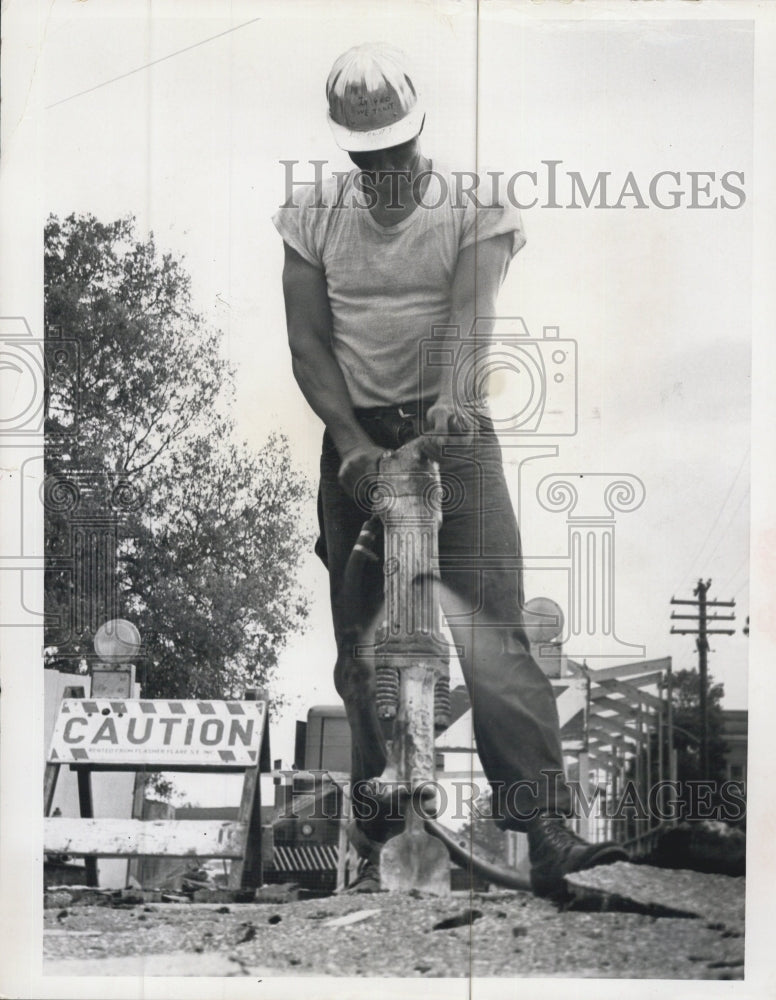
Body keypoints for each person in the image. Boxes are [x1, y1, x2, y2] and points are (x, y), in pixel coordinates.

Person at [273, 42, 628, 895]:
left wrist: (448, 399)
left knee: (492, 635)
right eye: (367, 157)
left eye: (394, 151)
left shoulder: (474, 206)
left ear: (418, 132)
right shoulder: (309, 216)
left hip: (452, 434)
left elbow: (472, 315)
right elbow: (308, 341)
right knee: (362, 651)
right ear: (347, 152)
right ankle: (374, 843)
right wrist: (352, 443)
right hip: (355, 439)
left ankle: (545, 832)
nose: (383, 168)